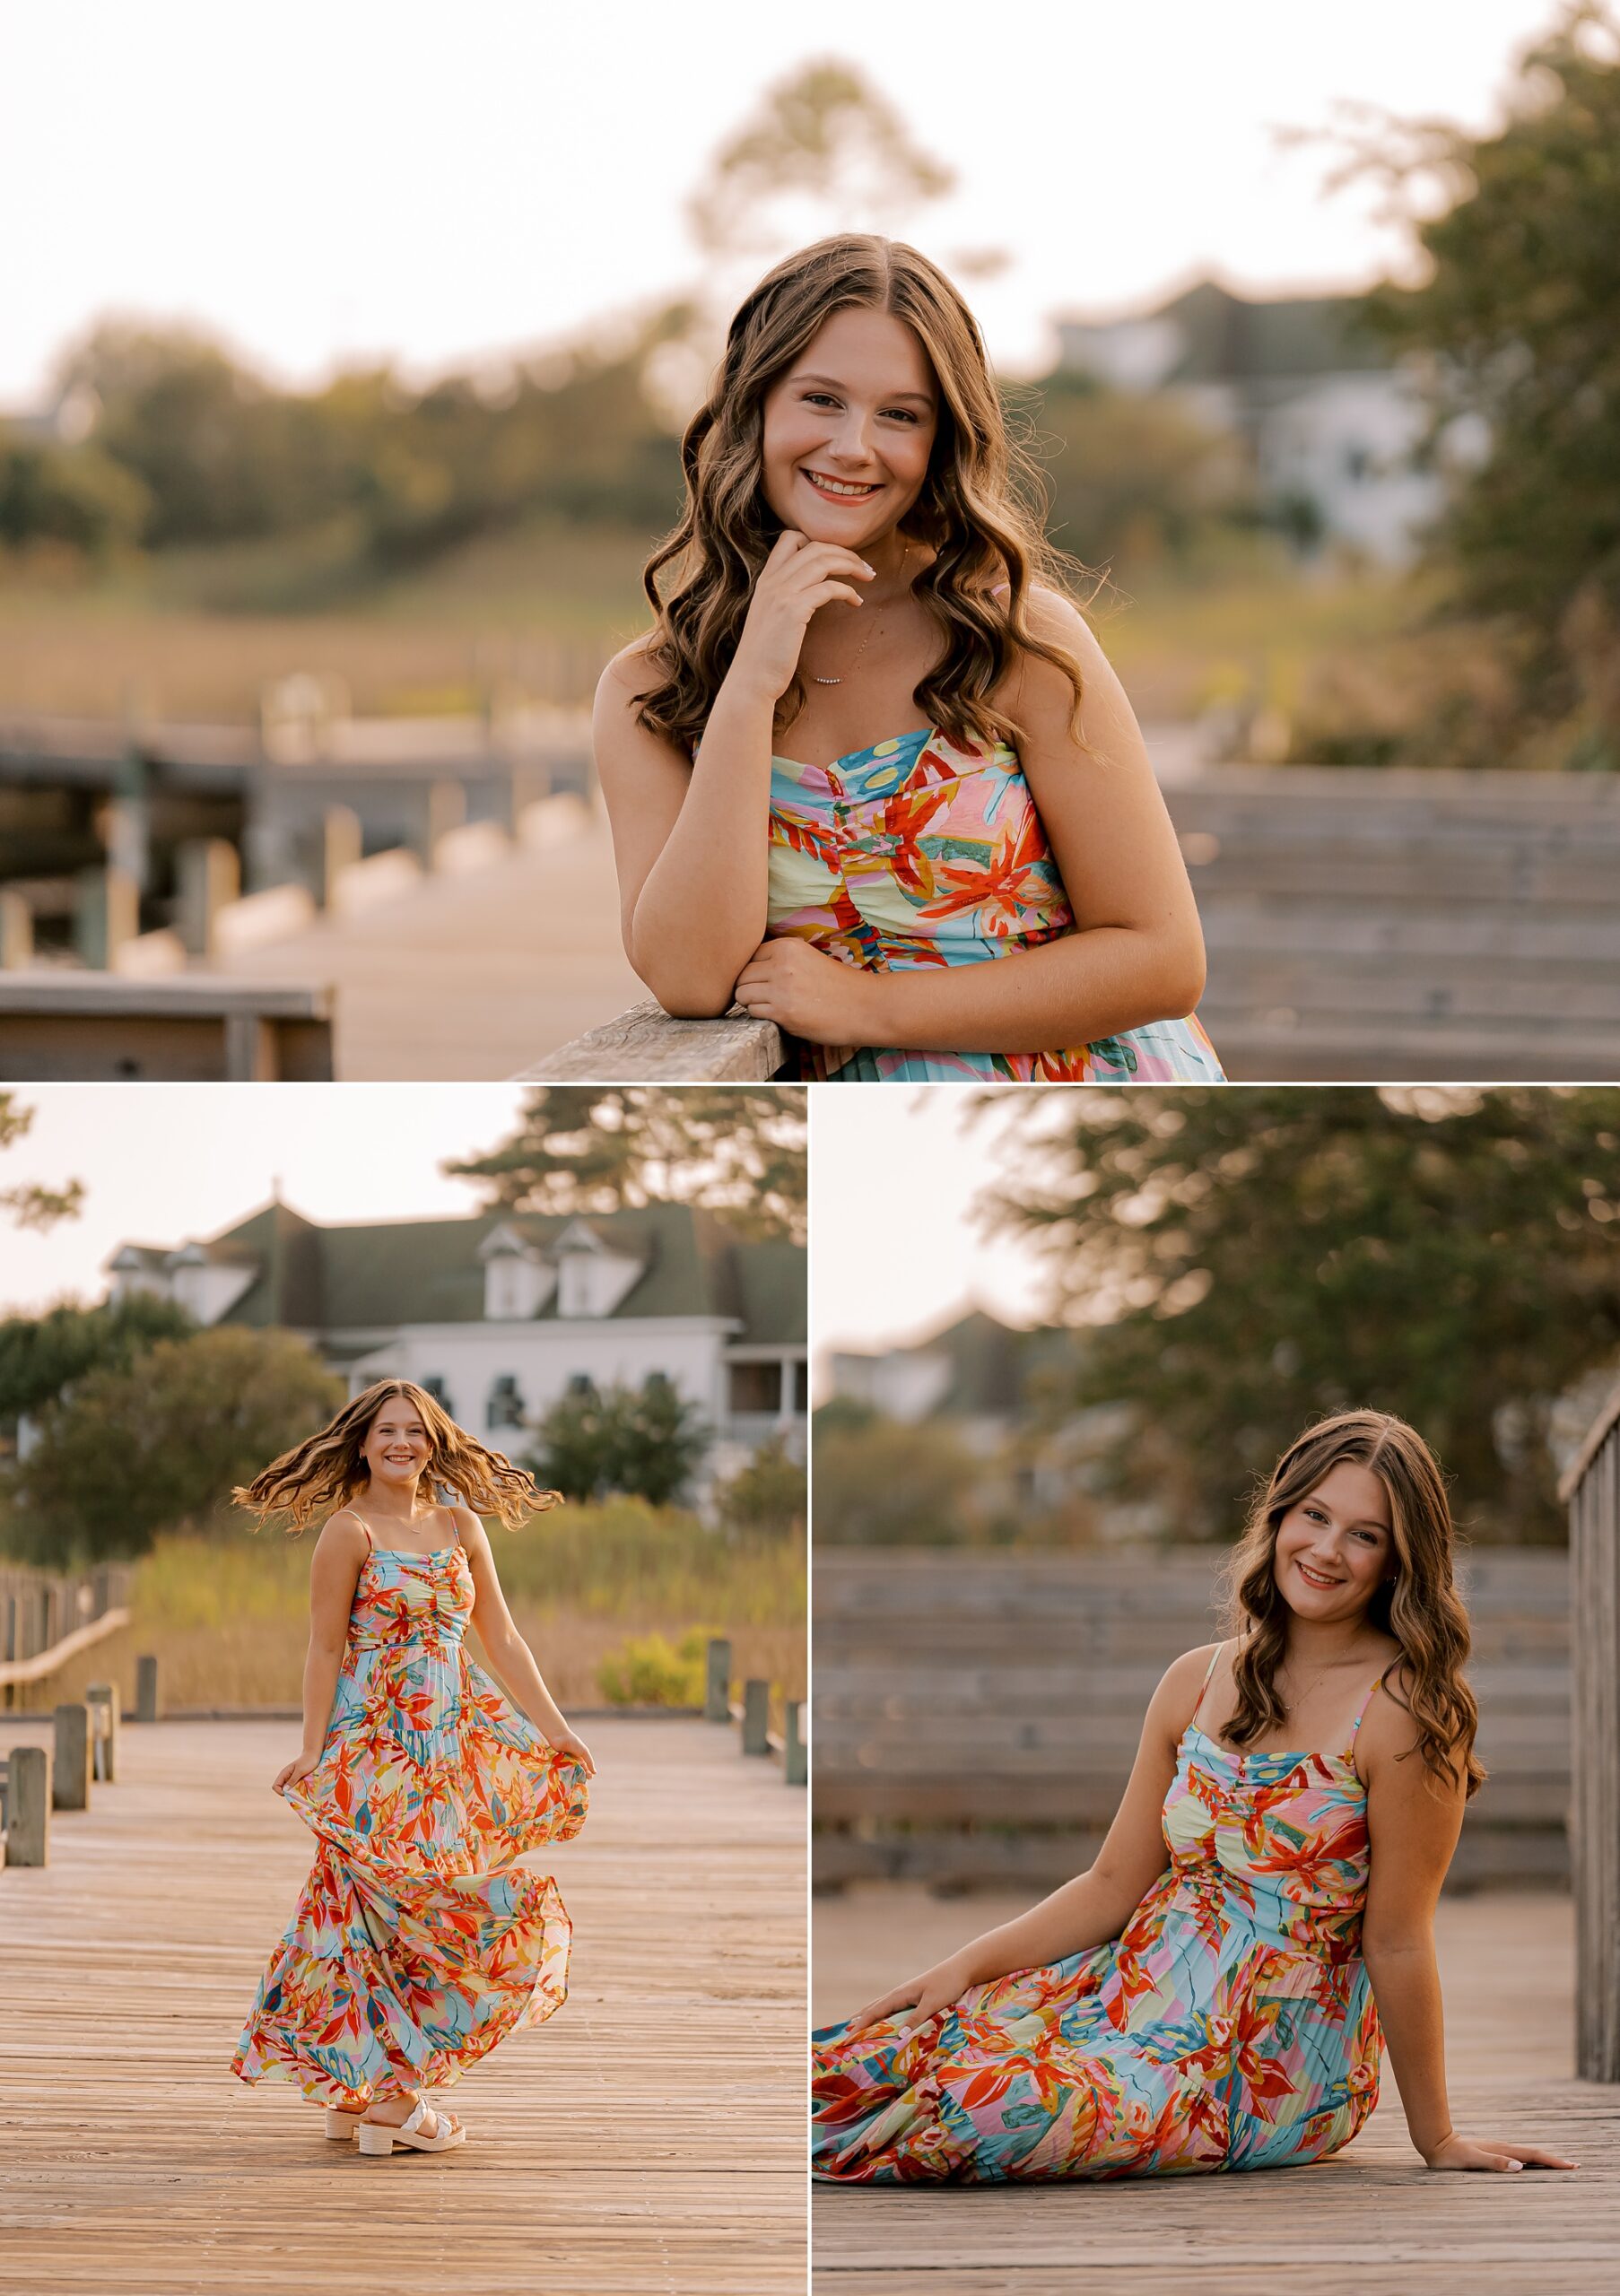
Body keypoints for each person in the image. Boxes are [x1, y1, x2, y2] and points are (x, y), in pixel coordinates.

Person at [812, 1410, 1577, 2180]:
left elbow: (1400, 1939)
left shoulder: (1403, 1714)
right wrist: (967, 1968)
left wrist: (1436, 2137)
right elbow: (1112, 1884)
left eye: (1365, 1534)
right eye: (1314, 1515)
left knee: (985, 2108)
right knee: (870, 2059)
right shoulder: (1198, 1679)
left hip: (1264, 2063)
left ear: (1398, 1559)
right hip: (1123, 1996)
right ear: (1280, 1516)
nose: (1327, 1550)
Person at [594, 232, 1224, 1083]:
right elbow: (691, 978)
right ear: (756, 406)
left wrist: (870, 1008)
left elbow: (1162, 958)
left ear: (940, 444)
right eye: (821, 399)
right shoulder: (651, 690)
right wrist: (748, 686)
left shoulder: (1021, 641)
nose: (856, 446)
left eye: (901, 414)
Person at [230, 1378, 595, 2158]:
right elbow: (326, 1647)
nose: (403, 1444)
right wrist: (312, 1748)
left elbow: (501, 1638)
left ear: (434, 1444)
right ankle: (398, 2102)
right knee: (385, 1908)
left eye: (417, 1432)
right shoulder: (349, 1531)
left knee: (407, 1906)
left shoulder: (461, 1524)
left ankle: (355, 2093)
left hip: (450, 1745)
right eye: (388, 1431)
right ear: (361, 1443)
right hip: (376, 1747)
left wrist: (557, 1730)